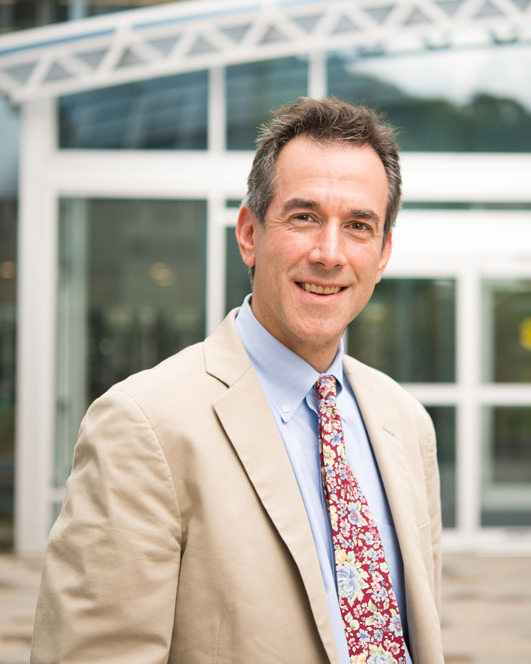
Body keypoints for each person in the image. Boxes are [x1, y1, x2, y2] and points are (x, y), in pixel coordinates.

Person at [30, 97, 445, 664]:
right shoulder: (144, 425)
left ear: (382, 253)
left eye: (357, 226)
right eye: (304, 217)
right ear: (249, 233)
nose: (329, 253)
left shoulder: (405, 422)